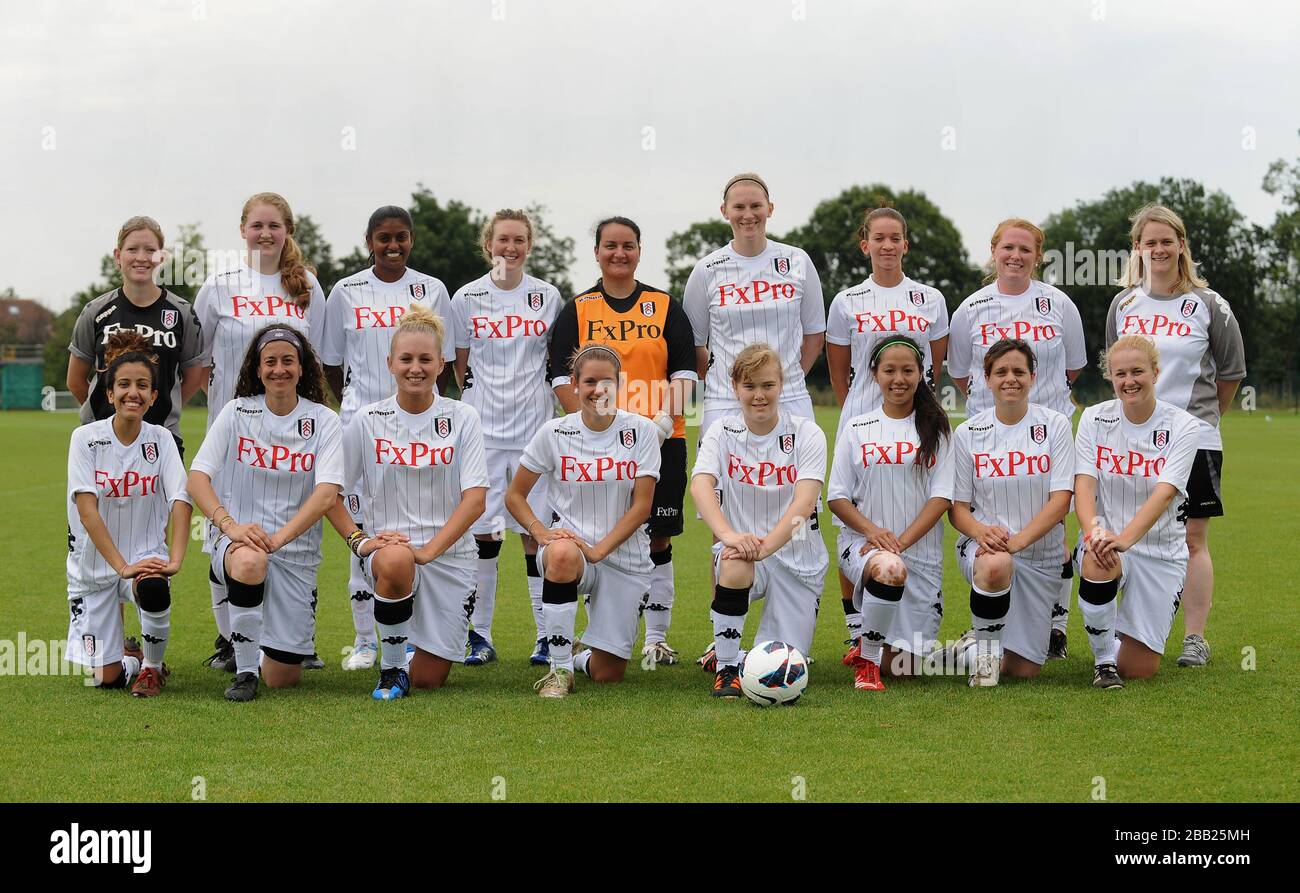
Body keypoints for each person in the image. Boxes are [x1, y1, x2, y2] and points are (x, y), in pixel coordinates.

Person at [548, 216, 696, 665]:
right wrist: (593, 428)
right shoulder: (578, 309)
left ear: (638, 250)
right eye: (610, 245)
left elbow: (687, 377)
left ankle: (656, 638)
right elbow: (559, 378)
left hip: (659, 439)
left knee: (658, 538)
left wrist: (653, 425)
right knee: (595, 535)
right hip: (594, 446)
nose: (619, 253)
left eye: (628, 245)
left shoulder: (664, 305)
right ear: (596, 252)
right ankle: (589, 637)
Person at [1106, 203, 1246, 668]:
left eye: (1168, 240)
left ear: (1181, 245)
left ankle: (1194, 639)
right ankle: (1124, 635)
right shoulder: (1123, 304)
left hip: (1195, 438)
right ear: (1138, 248)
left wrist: (1199, 422)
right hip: (1132, 441)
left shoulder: (1209, 305)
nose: (1160, 249)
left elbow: (1230, 374)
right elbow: (1118, 366)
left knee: (1192, 539)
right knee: (1128, 532)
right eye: (1151, 242)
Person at [325, 306, 488, 700]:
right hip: (389, 553)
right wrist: (360, 542)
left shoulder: (463, 417)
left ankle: (407, 640)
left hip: (448, 556)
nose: (416, 368)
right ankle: (392, 669)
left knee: (430, 680)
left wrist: (428, 551)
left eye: (425, 359)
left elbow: (476, 500)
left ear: (441, 364)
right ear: (390, 364)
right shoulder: (366, 419)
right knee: (397, 559)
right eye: (406, 359)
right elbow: (330, 494)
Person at [194, 193, 327, 674]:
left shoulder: (307, 285)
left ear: (287, 229)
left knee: (297, 533)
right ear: (243, 230)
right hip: (234, 431)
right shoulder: (219, 284)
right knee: (223, 532)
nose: (265, 233)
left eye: (274, 225)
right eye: (257, 225)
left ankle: (298, 637)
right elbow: (198, 359)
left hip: (294, 431)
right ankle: (231, 638)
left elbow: (322, 355)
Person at [320, 205, 455, 671]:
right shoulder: (346, 290)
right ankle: (363, 639)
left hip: (420, 429)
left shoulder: (432, 289)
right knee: (366, 537)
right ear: (369, 241)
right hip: (363, 427)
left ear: (411, 240)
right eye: (383, 238)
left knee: (417, 532)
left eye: (401, 237)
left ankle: (412, 639)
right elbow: (332, 364)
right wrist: (360, 409)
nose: (392, 246)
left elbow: (447, 359)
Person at [948, 218, 1086, 660]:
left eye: (1025, 250)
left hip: (1048, 431)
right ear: (993, 250)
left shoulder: (1058, 304)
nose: (1015, 256)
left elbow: (1073, 368)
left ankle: (1055, 629)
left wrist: (1036, 411)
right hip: (989, 435)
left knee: (1055, 529)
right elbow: (960, 371)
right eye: (1008, 248)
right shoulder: (970, 308)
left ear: (1037, 255)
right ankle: (988, 633)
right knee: (991, 530)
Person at [187, 326, 343, 702]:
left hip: (294, 553)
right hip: (240, 541)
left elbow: (326, 496)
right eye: (269, 361)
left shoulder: (324, 421)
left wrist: (279, 538)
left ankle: (255, 637)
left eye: (288, 360)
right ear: (257, 370)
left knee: (283, 677)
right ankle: (243, 673)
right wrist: (230, 526)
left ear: (302, 367)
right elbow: (196, 479)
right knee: (250, 562)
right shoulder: (237, 411)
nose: (279, 369)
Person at [826, 205, 949, 657]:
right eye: (879, 238)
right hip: (862, 416)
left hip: (916, 416)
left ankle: (908, 614)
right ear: (866, 245)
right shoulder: (847, 301)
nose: (887, 245)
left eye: (895, 237)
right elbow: (842, 371)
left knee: (913, 500)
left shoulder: (929, 299)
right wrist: (861, 413)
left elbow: (935, 365)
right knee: (852, 514)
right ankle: (857, 629)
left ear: (905, 244)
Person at [505, 345, 660, 698]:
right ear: (574, 384)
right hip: (571, 551)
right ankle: (558, 671)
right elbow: (514, 496)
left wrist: (598, 550)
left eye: (607, 381)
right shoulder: (554, 433)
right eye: (589, 381)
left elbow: (642, 507)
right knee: (560, 554)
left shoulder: (642, 431)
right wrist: (541, 533)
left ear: (620, 383)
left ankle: (578, 656)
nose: (598, 390)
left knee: (608, 674)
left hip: (623, 558)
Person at [450, 209, 562, 667]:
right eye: (502, 240)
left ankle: (544, 634)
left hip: (535, 433)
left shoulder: (547, 296)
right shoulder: (466, 298)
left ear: (529, 246)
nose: (509, 248)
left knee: (536, 536)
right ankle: (480, 634)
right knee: (485, 535)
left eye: (518, 240)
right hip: (483, 435)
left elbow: (554, 361)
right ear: (488, 245)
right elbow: (459, 365)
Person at [692, 344, 828, 698]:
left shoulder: (807, 433)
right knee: (734, 564)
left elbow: (805, 500)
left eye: (767, 385)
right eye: (749, 386)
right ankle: (725, 669)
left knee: (782, 663)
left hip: (798, 557)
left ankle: (737, 653)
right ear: (735, 387)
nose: (759, 395)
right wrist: (729, 536)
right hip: (746, 550)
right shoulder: (721, 431)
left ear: (781, 385)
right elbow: (701, 484)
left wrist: (765, 547)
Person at [65, 331, 191, 697]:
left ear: (153, 397)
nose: (131, 392)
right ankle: (132, 660)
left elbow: (181, 500)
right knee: (104, 679)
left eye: (141, 386)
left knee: (152, 585)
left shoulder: (161, 440)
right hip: (94, 567)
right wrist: (120, 566)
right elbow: (87, 512)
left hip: (143, 556)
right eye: (123, 384)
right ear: (109, 394)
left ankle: (152, 668)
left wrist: (175, 560)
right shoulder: (85, 439)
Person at [826, 337, 953, 691]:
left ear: (921, 374)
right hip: (864, 548)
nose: (899, 378)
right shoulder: (856, 427)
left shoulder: (938, 428)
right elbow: (836, 497)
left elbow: (941, 498)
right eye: (890, 370)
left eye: (908, 370)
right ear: (874, 374)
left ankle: (871, 645)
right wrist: (873, 532)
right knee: (888, 567)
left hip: (921, 557)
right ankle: (866, 659)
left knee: (903, 670)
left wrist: (900, 542)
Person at [1073, 335, 1200, 688]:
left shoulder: (1184, 426)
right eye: (1120, 373)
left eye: (1138, 372)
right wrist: (1094, 533)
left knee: (1140, 668)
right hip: (1107, 541)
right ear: (1110, 377)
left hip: (1160, 550)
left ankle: (1112, 633)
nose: (1129, 381)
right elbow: (1084, 484)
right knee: (1099, 558)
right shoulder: (1095, 418)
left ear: (1156, 372)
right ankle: (1102, 662)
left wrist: (1125, 539)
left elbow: (1164, 494)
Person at [948, 339, 1074, 685]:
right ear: (986, 379)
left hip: (1040, 555)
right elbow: (957, 510)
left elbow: (1061, 500)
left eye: (1019, 371)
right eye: (1000, 372)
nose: (1010, 379)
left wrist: (1018, 542)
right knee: (995, 564)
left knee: (1023, 670)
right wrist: (980, 532)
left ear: (1033, 376)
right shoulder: (968, 432)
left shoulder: (1056, 425)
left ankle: (968, 648)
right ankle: (985, 664)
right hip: (986, 550)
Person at [683, 172, 826, 438]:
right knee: (718, 480)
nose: (748, 214)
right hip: (725, 401)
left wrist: (783, 380)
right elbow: (694, 345)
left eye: (756, 206)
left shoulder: (798, 261)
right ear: (725, 211)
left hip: (789, 397)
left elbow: (815, 336)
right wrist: (729, 383)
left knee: (797, 479)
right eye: (739, 207)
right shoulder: (706, 270)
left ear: (770, 209)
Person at [67, 216, 205, 457]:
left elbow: (192, 378)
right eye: (132, 249)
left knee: (172, 497)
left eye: (150, 250)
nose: (141, 257)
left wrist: (156, 403)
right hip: (100, 440)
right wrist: (107, 412)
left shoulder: (182, 312)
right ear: (118, 256)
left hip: (162, 439)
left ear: (161, 257)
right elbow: (76, 380)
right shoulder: (95, 312)